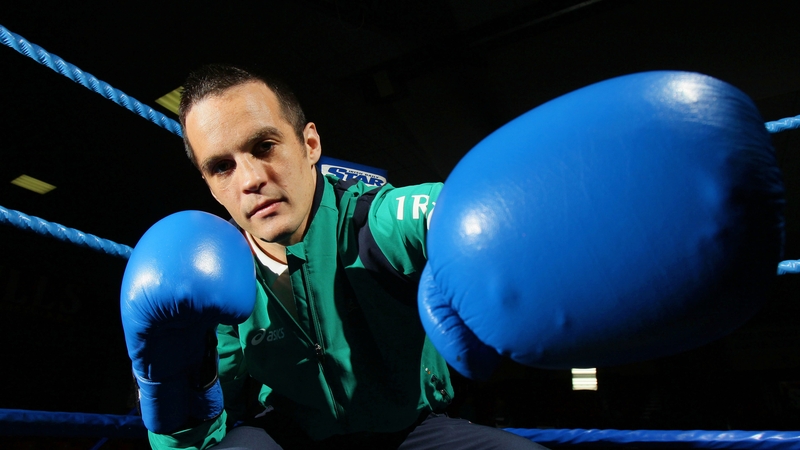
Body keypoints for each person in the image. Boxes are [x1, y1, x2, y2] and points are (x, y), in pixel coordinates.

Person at [142, 63, 548, 449]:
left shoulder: (370, 223)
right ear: (210, 185)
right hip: (290, 436)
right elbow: (200, 434)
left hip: (408, 430)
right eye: (222, 167)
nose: (251, 180)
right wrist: (171, 383)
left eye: (264, 146)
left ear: (310, 144)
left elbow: (450, 210)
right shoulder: (211, 274)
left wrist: (509, 220)